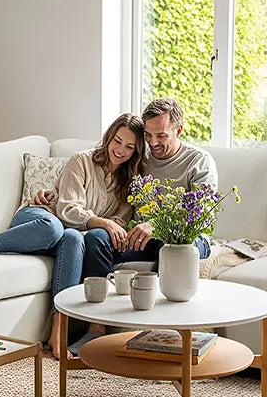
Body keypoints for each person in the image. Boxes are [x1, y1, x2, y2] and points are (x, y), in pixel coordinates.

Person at [0, 113, 146, 359]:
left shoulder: (130, 183)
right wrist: (101, 221)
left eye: (129, 147)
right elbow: (67, 210)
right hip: (38, 220)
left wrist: (105, 225)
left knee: (72, 238)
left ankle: (58, 330)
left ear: (136, 152)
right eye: (117, 141)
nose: (120, 150)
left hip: (70, 235)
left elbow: (119, 222)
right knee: (56, 229)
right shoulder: (82, 161)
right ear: (108, 137)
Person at [81, 97, 217, 278]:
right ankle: (104, 300)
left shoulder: (199, 161)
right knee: (96, 238)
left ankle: (156, 299)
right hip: (142, 239)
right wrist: (55, 192)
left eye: (161, 136)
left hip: (188, 237)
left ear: (179, 131)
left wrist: (157, 225)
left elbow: (201, 214)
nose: (152, 143)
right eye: (147, 135)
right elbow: (102, 172)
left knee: (172, 244)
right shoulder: (138, 157)